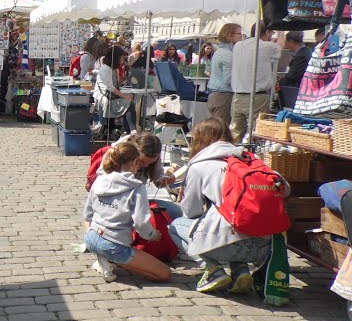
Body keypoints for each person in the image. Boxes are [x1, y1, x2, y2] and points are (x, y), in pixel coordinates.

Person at [167, 118, 276, 294]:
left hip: (225, 246)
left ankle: (212, 270)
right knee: (234, 222)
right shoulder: (250, 159)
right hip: (262, 246)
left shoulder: (200, 164)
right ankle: (240, 271)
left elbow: (190, 211)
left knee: (175, 226)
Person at [82, 140, 173, 283]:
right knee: (165, 274)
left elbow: (87, 214)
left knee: (109, 245)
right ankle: (114, 259)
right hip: (114, 245)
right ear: (135, 162)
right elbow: (141, 223)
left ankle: (104, 257)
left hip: (91, 237)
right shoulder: (136, 187)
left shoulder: (99, 180)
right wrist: (153, 235)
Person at [230, 22, 280, 141]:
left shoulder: (238, 45)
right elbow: (280, 47)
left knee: (235, 132)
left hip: (238, 95)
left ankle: (233, 157)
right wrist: (281, 31)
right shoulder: (266, 46)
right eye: (272, 33)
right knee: (255, 133)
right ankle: (250, 157)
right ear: (267, 32)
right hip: (257, 96)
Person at [94, 44, 136, 133]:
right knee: (129, 104)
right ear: (116, 57)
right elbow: (110, 87)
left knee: (128, 104)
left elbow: (115, 85)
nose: (122, 60)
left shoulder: (113, 69)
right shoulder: (106, 69)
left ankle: (129, 130)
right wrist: (124, 96)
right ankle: (132, 131)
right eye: (122, 58)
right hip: (106, 98)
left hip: (110, 96)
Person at [207, 23, 242, 127]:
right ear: (229, 35)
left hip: (216, 94)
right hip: (223, 95)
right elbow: (229, 79)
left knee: (216, 127)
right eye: (238, 34)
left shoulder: (220, 51)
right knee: (220, 129)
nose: (241, 36)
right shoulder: (227, 54)